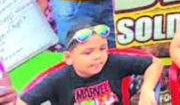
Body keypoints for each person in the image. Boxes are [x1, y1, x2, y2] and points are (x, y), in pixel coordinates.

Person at [19, 23, 163, 105]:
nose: (98, 56)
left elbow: (155, 63)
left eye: (102, 48)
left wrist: (147, 89)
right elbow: (22, 102)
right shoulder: (57, 80)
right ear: (69, 58)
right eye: (88, 53)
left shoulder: (113, 62)